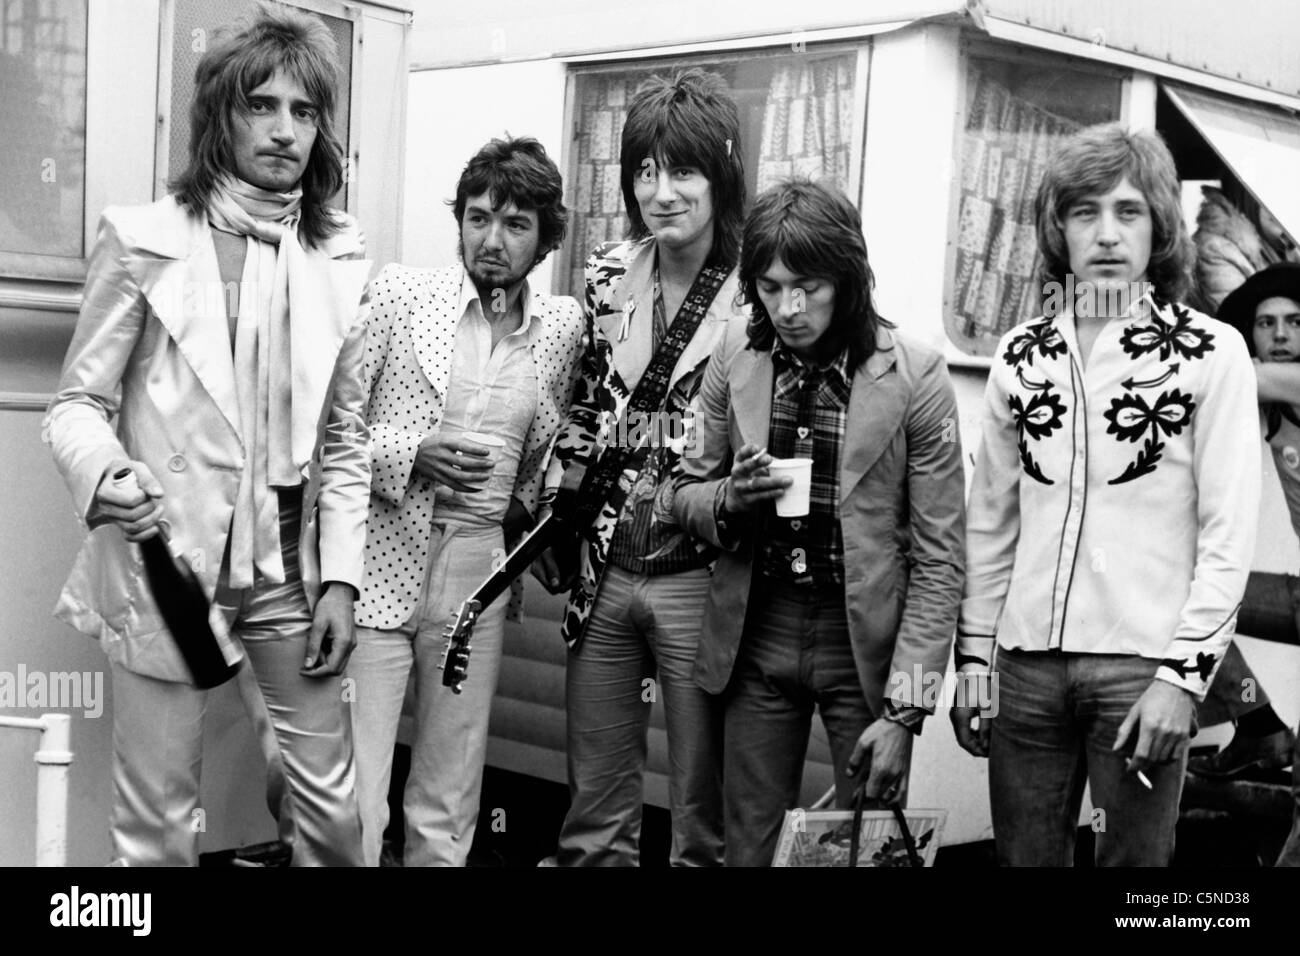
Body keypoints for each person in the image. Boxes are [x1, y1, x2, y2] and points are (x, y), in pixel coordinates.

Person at [44, 3, 370, 866]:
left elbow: (342, 438)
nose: (284, 129)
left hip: (285, 577)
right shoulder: (143, 238)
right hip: (167, 565)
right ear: (218, 116)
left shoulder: (337, 254)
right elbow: (75, 403)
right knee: (157, 827)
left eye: (304, 112)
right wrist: (104, 473)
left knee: (335, 816)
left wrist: (340, 578)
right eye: (261, 105)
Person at [953, 123, 1261, 866]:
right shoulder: (1021, 355)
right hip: (1026, 669)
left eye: (1128, 211)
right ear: (1058, 230)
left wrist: (1183, 683)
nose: (1106, 233)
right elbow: (991, 523)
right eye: (1084, 212)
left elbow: (1228, 536)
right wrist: (970, 663)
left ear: (1159, 225)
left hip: (1142, 667)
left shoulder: (1210, 353)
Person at [671, 179, 966, 866]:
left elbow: (940, 559)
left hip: (860, 638)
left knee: (870, 848)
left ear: (849, 277)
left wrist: (905, 713)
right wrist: (729, 501)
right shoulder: (733, 356)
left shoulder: (917, 375)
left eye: (807, 285)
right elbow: (681, 492)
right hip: (758, 626)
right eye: (770, 288)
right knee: (749, 846)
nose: (789, 307)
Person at [348, 136, 585, 867]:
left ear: (545, 239)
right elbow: (329, 433)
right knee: (352, 794)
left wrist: (539, 521)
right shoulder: (399, 293)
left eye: (516, 224)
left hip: (477, 576)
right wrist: (407, 453)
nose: (492, 238)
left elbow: (544, 457)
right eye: (479, 217)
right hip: (377, 563)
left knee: (448, 798)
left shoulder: (562, 330)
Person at [532, 69, 747, 866]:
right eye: (644, 171)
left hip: (703, 573)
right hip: (605, 572)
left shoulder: (761, 291)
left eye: (683, 170)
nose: (661, 192)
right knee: (595, 805)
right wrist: (560, 508)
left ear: (722, 175)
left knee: (703, 813)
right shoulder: (607, 276)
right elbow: (585, 409)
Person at [1216, 260, 1300, 865]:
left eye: (1295, 321)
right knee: (1188, 591)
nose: (1280, 334)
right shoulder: (1266, 402)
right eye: (1266, 322)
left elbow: (1223, 374)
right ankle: (1257, 719)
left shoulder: (1280, 383)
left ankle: (1261, 723)